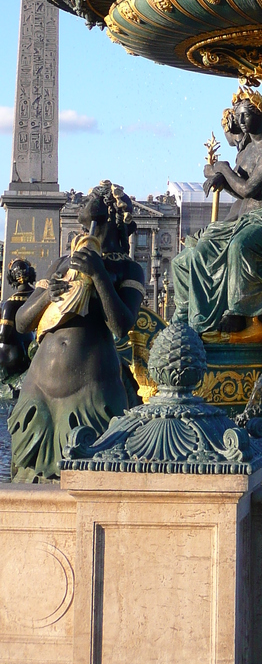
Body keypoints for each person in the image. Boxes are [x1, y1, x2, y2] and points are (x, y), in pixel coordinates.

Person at [10, 182, 145, 483]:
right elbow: (22, 322)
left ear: (113, 217)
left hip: (90, 393)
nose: (87, 232)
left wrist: (99, 276)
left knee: (86, 483)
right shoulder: (60, 264)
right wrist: (46, 296)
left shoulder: (128, 269)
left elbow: (122, 326)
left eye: (95, 223)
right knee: (28, 485)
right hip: (38, 390)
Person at [171, 87, 262, 342]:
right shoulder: (246, 150)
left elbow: (248, 188)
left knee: (239, 245)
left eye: (245, 115)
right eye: (237, 117)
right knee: (204, 246)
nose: (240, 122)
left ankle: (239, 312)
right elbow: (241, 191)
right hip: (247, 218)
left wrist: (223, 170)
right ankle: (202, 321)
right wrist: (220, 178)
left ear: (260, 113)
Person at [0, 258, 36, 380]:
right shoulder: (38, 296)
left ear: (11, 277)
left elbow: (4, 335)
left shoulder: (10, 304)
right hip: (33, 352)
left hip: (13, 357)